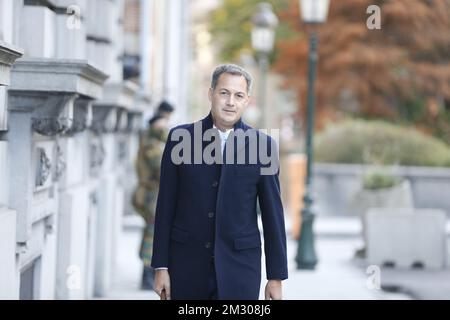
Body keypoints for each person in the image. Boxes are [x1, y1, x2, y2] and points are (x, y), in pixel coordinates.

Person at [152, 64, 288, 300]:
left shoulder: (264, 146)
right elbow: (165, 207)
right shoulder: (179, 139)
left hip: (241, 269)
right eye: (224, 93)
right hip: (186, 267)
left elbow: (272, 215)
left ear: (247, 101)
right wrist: (160, 267)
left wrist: (275, 277)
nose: (230, 102)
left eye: (238, 96)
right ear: (211, 94)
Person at [132, 100, 174, 290]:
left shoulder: (154, 142)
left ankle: (147, 274)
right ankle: (147, 276)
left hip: (153, 195)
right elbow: (161, 168)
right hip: (152, 197)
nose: (166, 126)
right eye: (163, 124)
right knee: (152, 236)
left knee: (152, 234)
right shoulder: (151, 146)